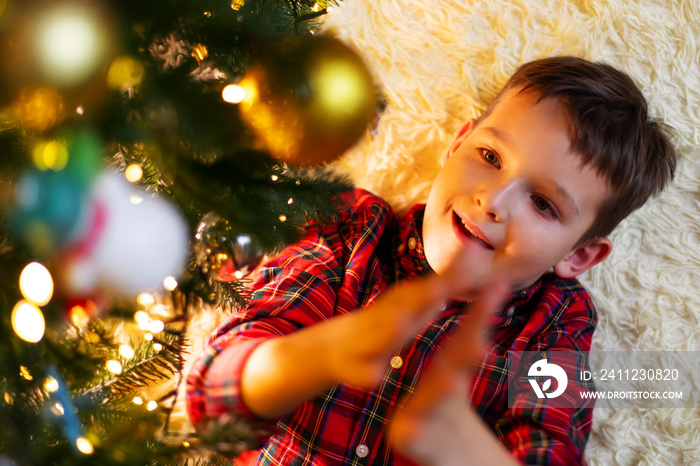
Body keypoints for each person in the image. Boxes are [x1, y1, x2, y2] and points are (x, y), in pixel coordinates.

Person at [186, 56, 676, 465]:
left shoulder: (554, 325)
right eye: (489, 156)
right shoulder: (350, 230)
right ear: (457, 142)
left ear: (579, 255)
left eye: (543, 203)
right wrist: (322, 353)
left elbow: (551, 446)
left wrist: (462, 447)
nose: (494, 200)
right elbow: (212, 394)